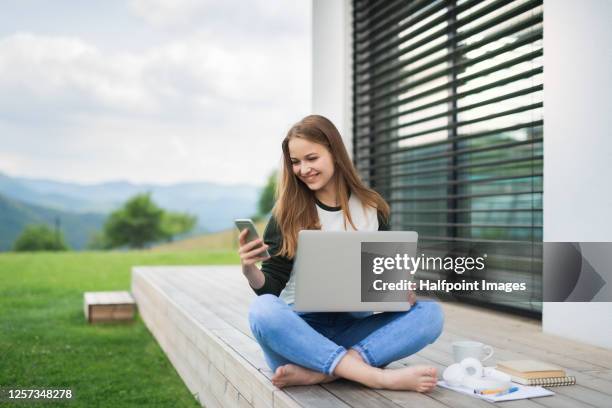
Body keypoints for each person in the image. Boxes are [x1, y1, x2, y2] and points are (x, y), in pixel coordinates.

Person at [237, 115, 444, 391]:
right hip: (299, 336)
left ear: (334, 152)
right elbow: (270, 289)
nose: (303, 169)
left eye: (311, 158)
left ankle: (325, 372)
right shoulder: (286, 213)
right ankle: (375, 376)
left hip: (351, 331)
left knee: (431, 314)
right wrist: (250, 270)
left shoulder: (372, 208)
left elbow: (384, 285)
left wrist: (399, 293)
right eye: (295, 162)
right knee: (262, 311)